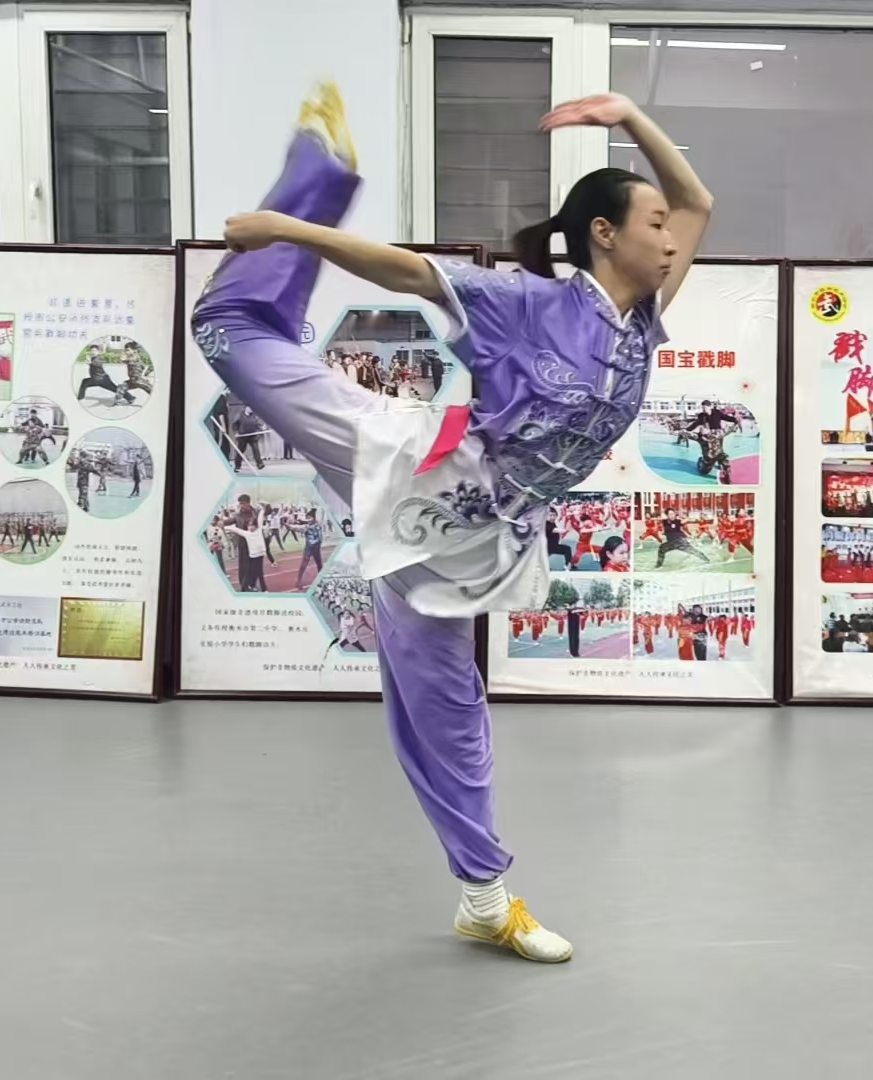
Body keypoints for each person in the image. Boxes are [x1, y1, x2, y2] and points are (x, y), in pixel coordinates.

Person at [192, 83, 710, 963]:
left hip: (480, 541)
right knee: (227, 330)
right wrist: (288, 228)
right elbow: (408, 273)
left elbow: (698, 199)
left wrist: (627, 116)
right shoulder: (529, 302)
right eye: (653, 224)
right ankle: (317, 174)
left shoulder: (641, 322)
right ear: (604, 234)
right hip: (426, 475)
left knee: (445, 707)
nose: (671, 238)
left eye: (669, 229)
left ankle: (483, 902)